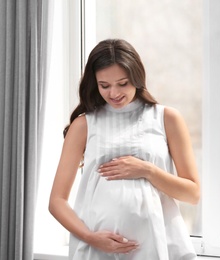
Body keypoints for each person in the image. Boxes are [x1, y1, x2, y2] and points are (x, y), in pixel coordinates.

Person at [49, 39, 200, 260]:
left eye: (123, 83)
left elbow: (192, 194)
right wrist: (90, 237)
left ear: (137, 78)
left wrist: (148, 170)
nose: (114, 93)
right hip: (98, 250)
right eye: (104, 85)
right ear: (95, 83)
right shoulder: (83, 125)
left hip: (161, 245)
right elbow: (56, 201)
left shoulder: (166, 118)